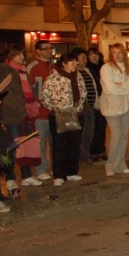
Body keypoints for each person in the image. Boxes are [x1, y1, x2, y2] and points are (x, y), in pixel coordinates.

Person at [0, 45, 42, 194]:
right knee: (11, 147)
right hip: (13, 115)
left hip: (25, 113)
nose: (22, 57)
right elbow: (5, 94)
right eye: (19, 55)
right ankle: (10, 178)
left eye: (22, 54)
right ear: (11, 56)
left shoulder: (22, 70)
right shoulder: (5, 70)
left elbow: (28, 90)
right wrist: (20, 110)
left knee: (26, 145)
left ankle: (26, 175)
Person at [38, 52, 87, 187]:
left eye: (76, 62)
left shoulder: (78, 76)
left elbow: (83, 92)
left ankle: (72, 171)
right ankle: (59, 174)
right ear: (64, 64)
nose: (74, 65)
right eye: (71, 63)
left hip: (76, 114)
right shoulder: (54, 78)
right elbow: (44, 97)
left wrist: (78, 106)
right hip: (60, 115)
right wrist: (56, 109)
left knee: (74, 144)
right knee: (60, 145)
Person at [100, 42, 129, 177]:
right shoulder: (106, 68)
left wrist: (122, 85)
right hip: (112, 106)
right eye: (114, 52)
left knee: (124, 136)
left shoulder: (128, 68)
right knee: (116, 136)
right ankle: (111, 165)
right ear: (111, 55)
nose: (117, 55)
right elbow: (110, 89)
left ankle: (121, 164)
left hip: (127, 106)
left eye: (119, 52)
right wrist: (128, 87)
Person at [26, 40, 55, 181]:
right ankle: (41, 169)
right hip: (40, 113)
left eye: (51, 48)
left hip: (55, 112)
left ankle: (57, 168)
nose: (49, 51)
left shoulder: (55, 66)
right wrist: (35, 106)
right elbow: (27, 90)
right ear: (38, 51)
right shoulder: (32, 67)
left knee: (55, 142)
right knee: (40, 142)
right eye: (46, 49)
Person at [71, 48, 98, 165]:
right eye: (83, 58)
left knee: (89, 133)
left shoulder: (87, 71)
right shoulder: (74, 73)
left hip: (90, 107)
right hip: (81, 109)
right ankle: (81, 157)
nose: (85, 60)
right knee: (81, 133)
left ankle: (86, 155)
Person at [0, 87, 18, 212]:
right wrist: (8, 143)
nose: (0, 102)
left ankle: (0, 195)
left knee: (0, 171)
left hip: (1, 150)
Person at [86, 48, 108, 161]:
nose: (94, 57)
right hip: (93, 101)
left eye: (96, 54)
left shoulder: (104, 68)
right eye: (91, 55)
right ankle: (93, 152)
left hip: (104, 100)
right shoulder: (87, 69)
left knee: (102, 127)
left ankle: (101, 150)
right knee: (93, 128)